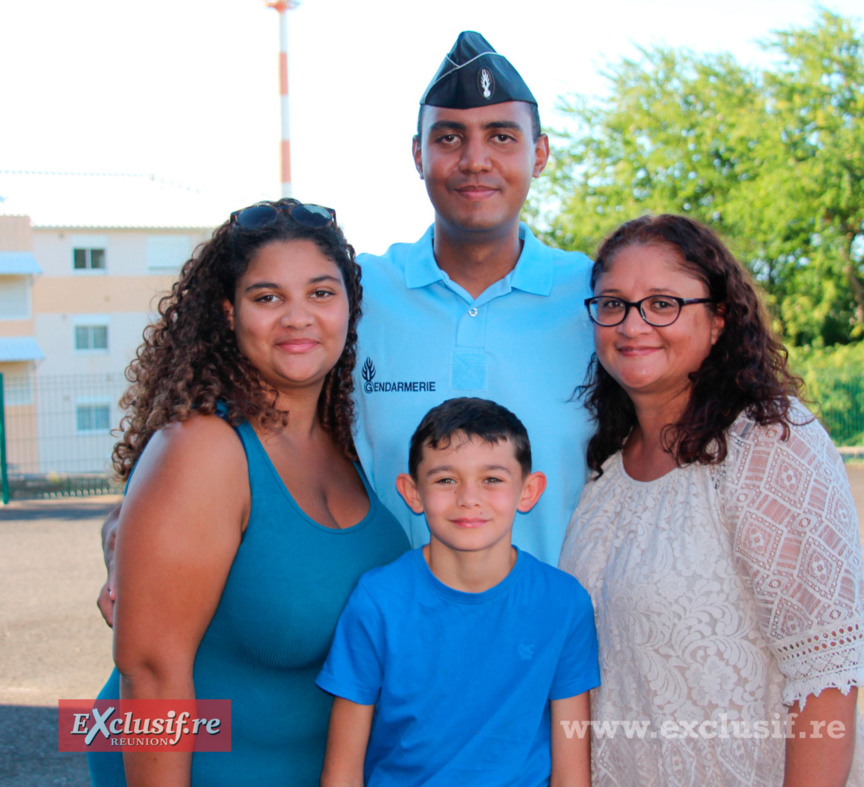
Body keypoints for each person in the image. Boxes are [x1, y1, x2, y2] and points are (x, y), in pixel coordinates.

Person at [87, 199, 409, 786]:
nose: (298, 318)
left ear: (348, 308)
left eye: (320, 293)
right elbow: (149, 673)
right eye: (268, 298)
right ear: (228, 313)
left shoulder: (346, 443)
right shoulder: (203, 447)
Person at [558, 214, 864, 786]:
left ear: (720, 319)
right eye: (614, 304)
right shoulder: (604, 470)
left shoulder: (768, 444)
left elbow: (826, 677)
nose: (633, 324)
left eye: (663, 303)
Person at [352, 31, 594, 565]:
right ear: (418, 154)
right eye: (450, 138)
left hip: (562, 637)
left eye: (502, 137)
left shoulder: (600, 299)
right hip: (395, 640)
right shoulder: (355, 294)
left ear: (541, 153)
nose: (475, 160)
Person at [316, 397, 600, 786]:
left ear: (528, 491)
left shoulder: (564, 604)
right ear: (412, 492)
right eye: (446, 480)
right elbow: (342, 771)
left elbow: (572, 770)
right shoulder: (378, 601)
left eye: (492, 479)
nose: (469, 498)